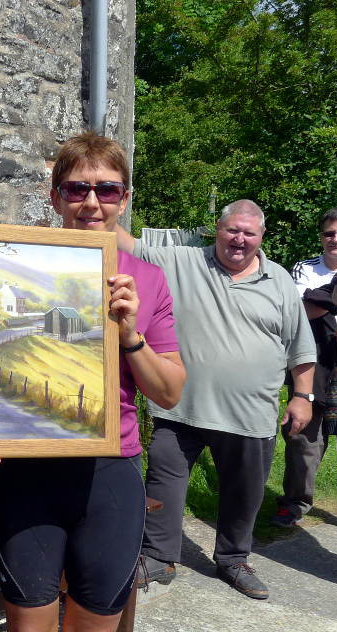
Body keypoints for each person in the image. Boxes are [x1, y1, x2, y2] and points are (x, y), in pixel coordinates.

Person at [0, 132, 186, 632]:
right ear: (55, 198)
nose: (92, 202)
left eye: (108, 189)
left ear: (125, 199)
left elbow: (169, 393)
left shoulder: (148, 280)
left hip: (109, 472)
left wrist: (130, 336)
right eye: (77, 189)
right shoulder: (18, 264)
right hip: (27, 469)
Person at [115, 200, 316, 600]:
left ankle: (233, 559)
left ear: (261, 237)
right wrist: (102, 201)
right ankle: (158, 556)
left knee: (245, 493)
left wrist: (302, 396)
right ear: (217, 230)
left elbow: (301, 347)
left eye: (249, 233)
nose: (239, 239)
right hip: (180, 409)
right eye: (231, 230)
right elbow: (127, 243)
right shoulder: (183, 261)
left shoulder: (279, 281)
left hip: (249, 414)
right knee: (163, 485)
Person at [271, 207, 337, 527]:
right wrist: (333, 299)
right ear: (321, 236)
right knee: (303, 433)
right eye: (329, 233)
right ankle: (296, 501)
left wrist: (327, 301)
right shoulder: (305, 267)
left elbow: (316, 304)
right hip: (313, 358)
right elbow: (300, 310)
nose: (335, 239)